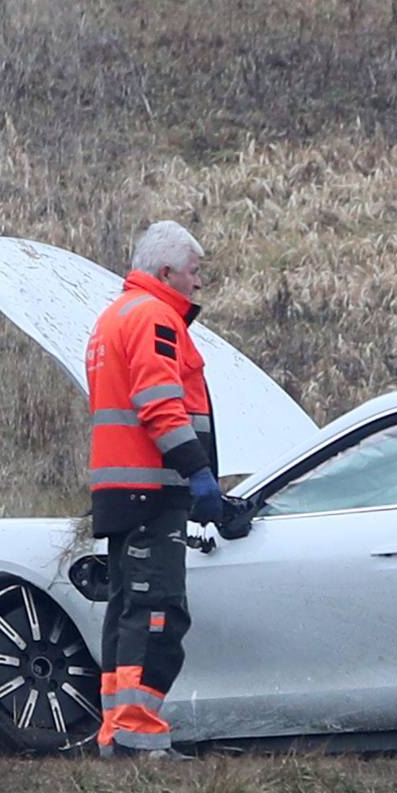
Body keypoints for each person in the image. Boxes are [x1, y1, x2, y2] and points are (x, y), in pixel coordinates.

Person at [87, 220, 226, 757]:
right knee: (158, 612)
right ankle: (137, 734)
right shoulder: (154, 318)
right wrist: (196, 471)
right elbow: (160, 404)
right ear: (166, 272)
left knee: (128, 610)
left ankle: (117, 731)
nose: (198, 284)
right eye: (194, 273)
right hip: (152, 489)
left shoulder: (113, 317)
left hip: (122, 489)